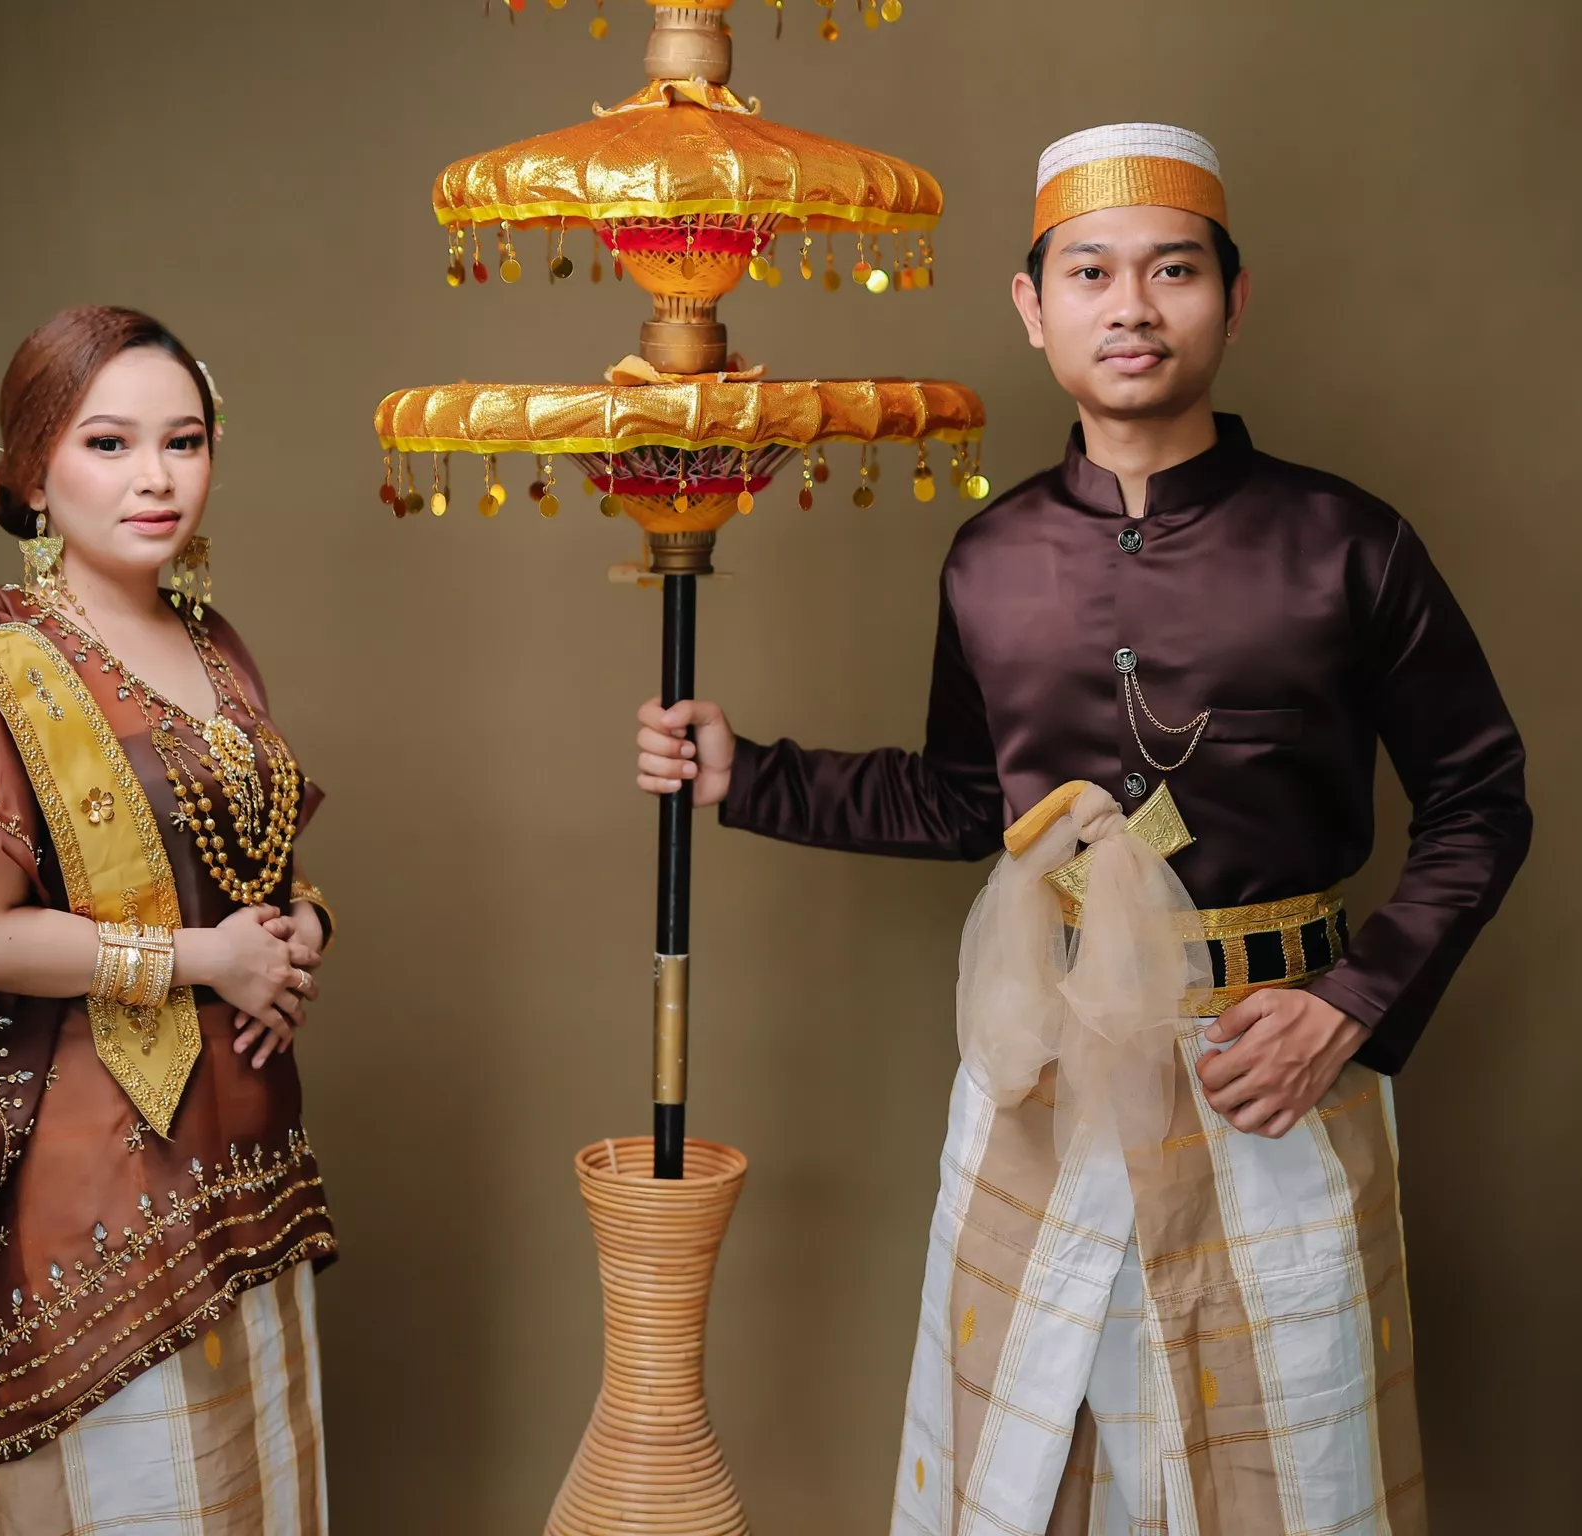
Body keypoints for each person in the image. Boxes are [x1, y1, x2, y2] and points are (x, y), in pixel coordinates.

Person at [633, 125, 1530, 1534]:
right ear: (1031, 305)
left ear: (1233, 298)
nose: (1132, 307)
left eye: (1173, 270)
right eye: (1092, 272)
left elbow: (1480, 799)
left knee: (1284, 1488)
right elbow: (964, 802)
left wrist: (1351, 1006)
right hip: (1041, 1071)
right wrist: (752, 778)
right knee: (1024, 1474)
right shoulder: (991, 557)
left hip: (1272, 1068)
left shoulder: (1348, 544)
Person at [0, 307, 337, 1534]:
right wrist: (205, 959)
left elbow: (249, 864)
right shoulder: (1, 685)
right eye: (110, 443)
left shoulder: (215, 650)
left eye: (184, 441)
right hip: (103, 1198)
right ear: (34, 474)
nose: (155, 478)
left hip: (246, 1162)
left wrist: (300, 927)